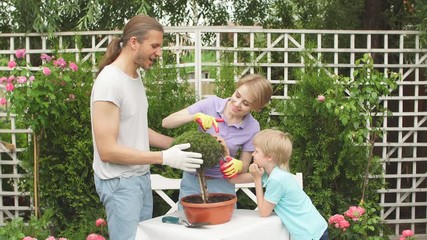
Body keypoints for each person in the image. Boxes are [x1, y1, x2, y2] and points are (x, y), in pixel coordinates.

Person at [90, 15, 203, 240]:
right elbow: (108, 151)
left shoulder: (134, 76)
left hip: (140, 177)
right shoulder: (109, 82)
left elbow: (138, 130)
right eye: (155, 45)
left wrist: (179, 147)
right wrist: (164, 158)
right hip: (120, 182)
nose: (159, 52)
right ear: (134, 43)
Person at [162, 74, 273, 208]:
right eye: (237, 95)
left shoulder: (252, 127)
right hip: (193, 181)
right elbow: (166, 122)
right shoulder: (211, 104)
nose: (237, 104)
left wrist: (237, 165)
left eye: (246, 103)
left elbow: (244, 166)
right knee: (188, 224)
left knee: (223, 227)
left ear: (256, 107)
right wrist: (194, 117)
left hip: (223, 185)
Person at [232, 129, 328, 240]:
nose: (253, 154)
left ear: (269, 157)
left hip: (310, 233)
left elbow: (263, 212)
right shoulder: (271, 173)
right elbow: (234, 180)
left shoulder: (277, 180)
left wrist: (257, 180)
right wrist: (226, 163)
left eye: (256, 151)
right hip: (313, 229)